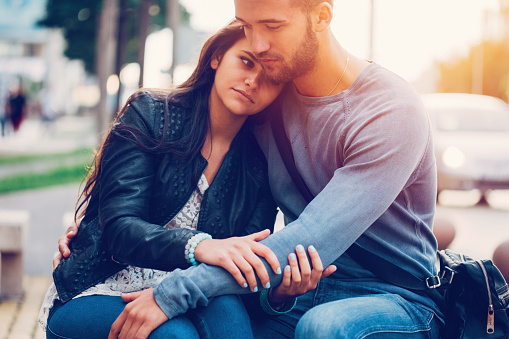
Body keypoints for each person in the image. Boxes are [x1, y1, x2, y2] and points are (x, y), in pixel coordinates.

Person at [58, 1, 444, 338]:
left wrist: (172, 293)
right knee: (221, 321)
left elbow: (308, 236)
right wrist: (95, 228)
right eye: (246, 26)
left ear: (321, 17)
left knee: (323, 328)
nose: (258, 45)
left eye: (272, 27)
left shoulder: (390, 110)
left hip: (394, 295)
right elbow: (234, 238)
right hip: (302, 291)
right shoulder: (269, 106)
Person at [42, 20, 334, 339]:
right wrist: (200, 246)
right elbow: (120, 230)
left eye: (269, 76)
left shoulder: (260, 163)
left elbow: (241, 277)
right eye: (246, 62)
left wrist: (279, 295)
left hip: (191, 295)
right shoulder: (151, 113)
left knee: (230, 315)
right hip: (101, 286)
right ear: (217, 58)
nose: (252, 81)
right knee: (177, 336)